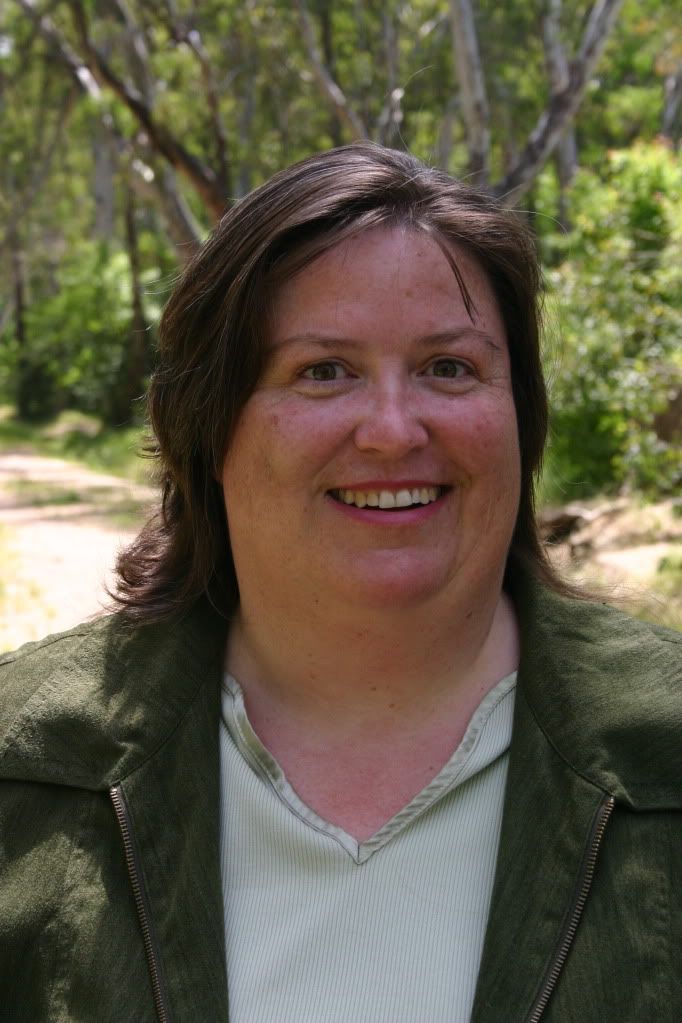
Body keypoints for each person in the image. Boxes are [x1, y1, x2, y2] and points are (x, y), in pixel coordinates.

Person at [0, 143, 680, 1023]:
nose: (394, 430)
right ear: (208, 429)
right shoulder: (26, 772)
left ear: (520, 416)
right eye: (324, 371)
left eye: (449, 367)